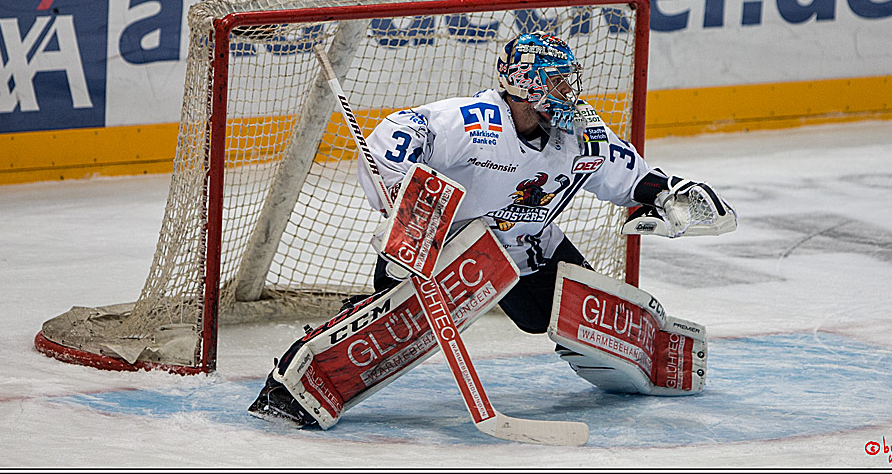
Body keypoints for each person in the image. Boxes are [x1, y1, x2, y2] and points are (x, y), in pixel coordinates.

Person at [249, 32, 735, 426]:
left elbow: (624, 173)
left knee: (592, 316)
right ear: (526, 85)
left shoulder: (579, 133)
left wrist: (668, 192)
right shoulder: (474, 121)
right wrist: (402, 184)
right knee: (388, 331)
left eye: (571, 83)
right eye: (559, 84)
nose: (571, 94)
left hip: (528, 250)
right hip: (445, 253)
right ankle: (291, 389)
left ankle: (647, 360)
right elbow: (397, 133)